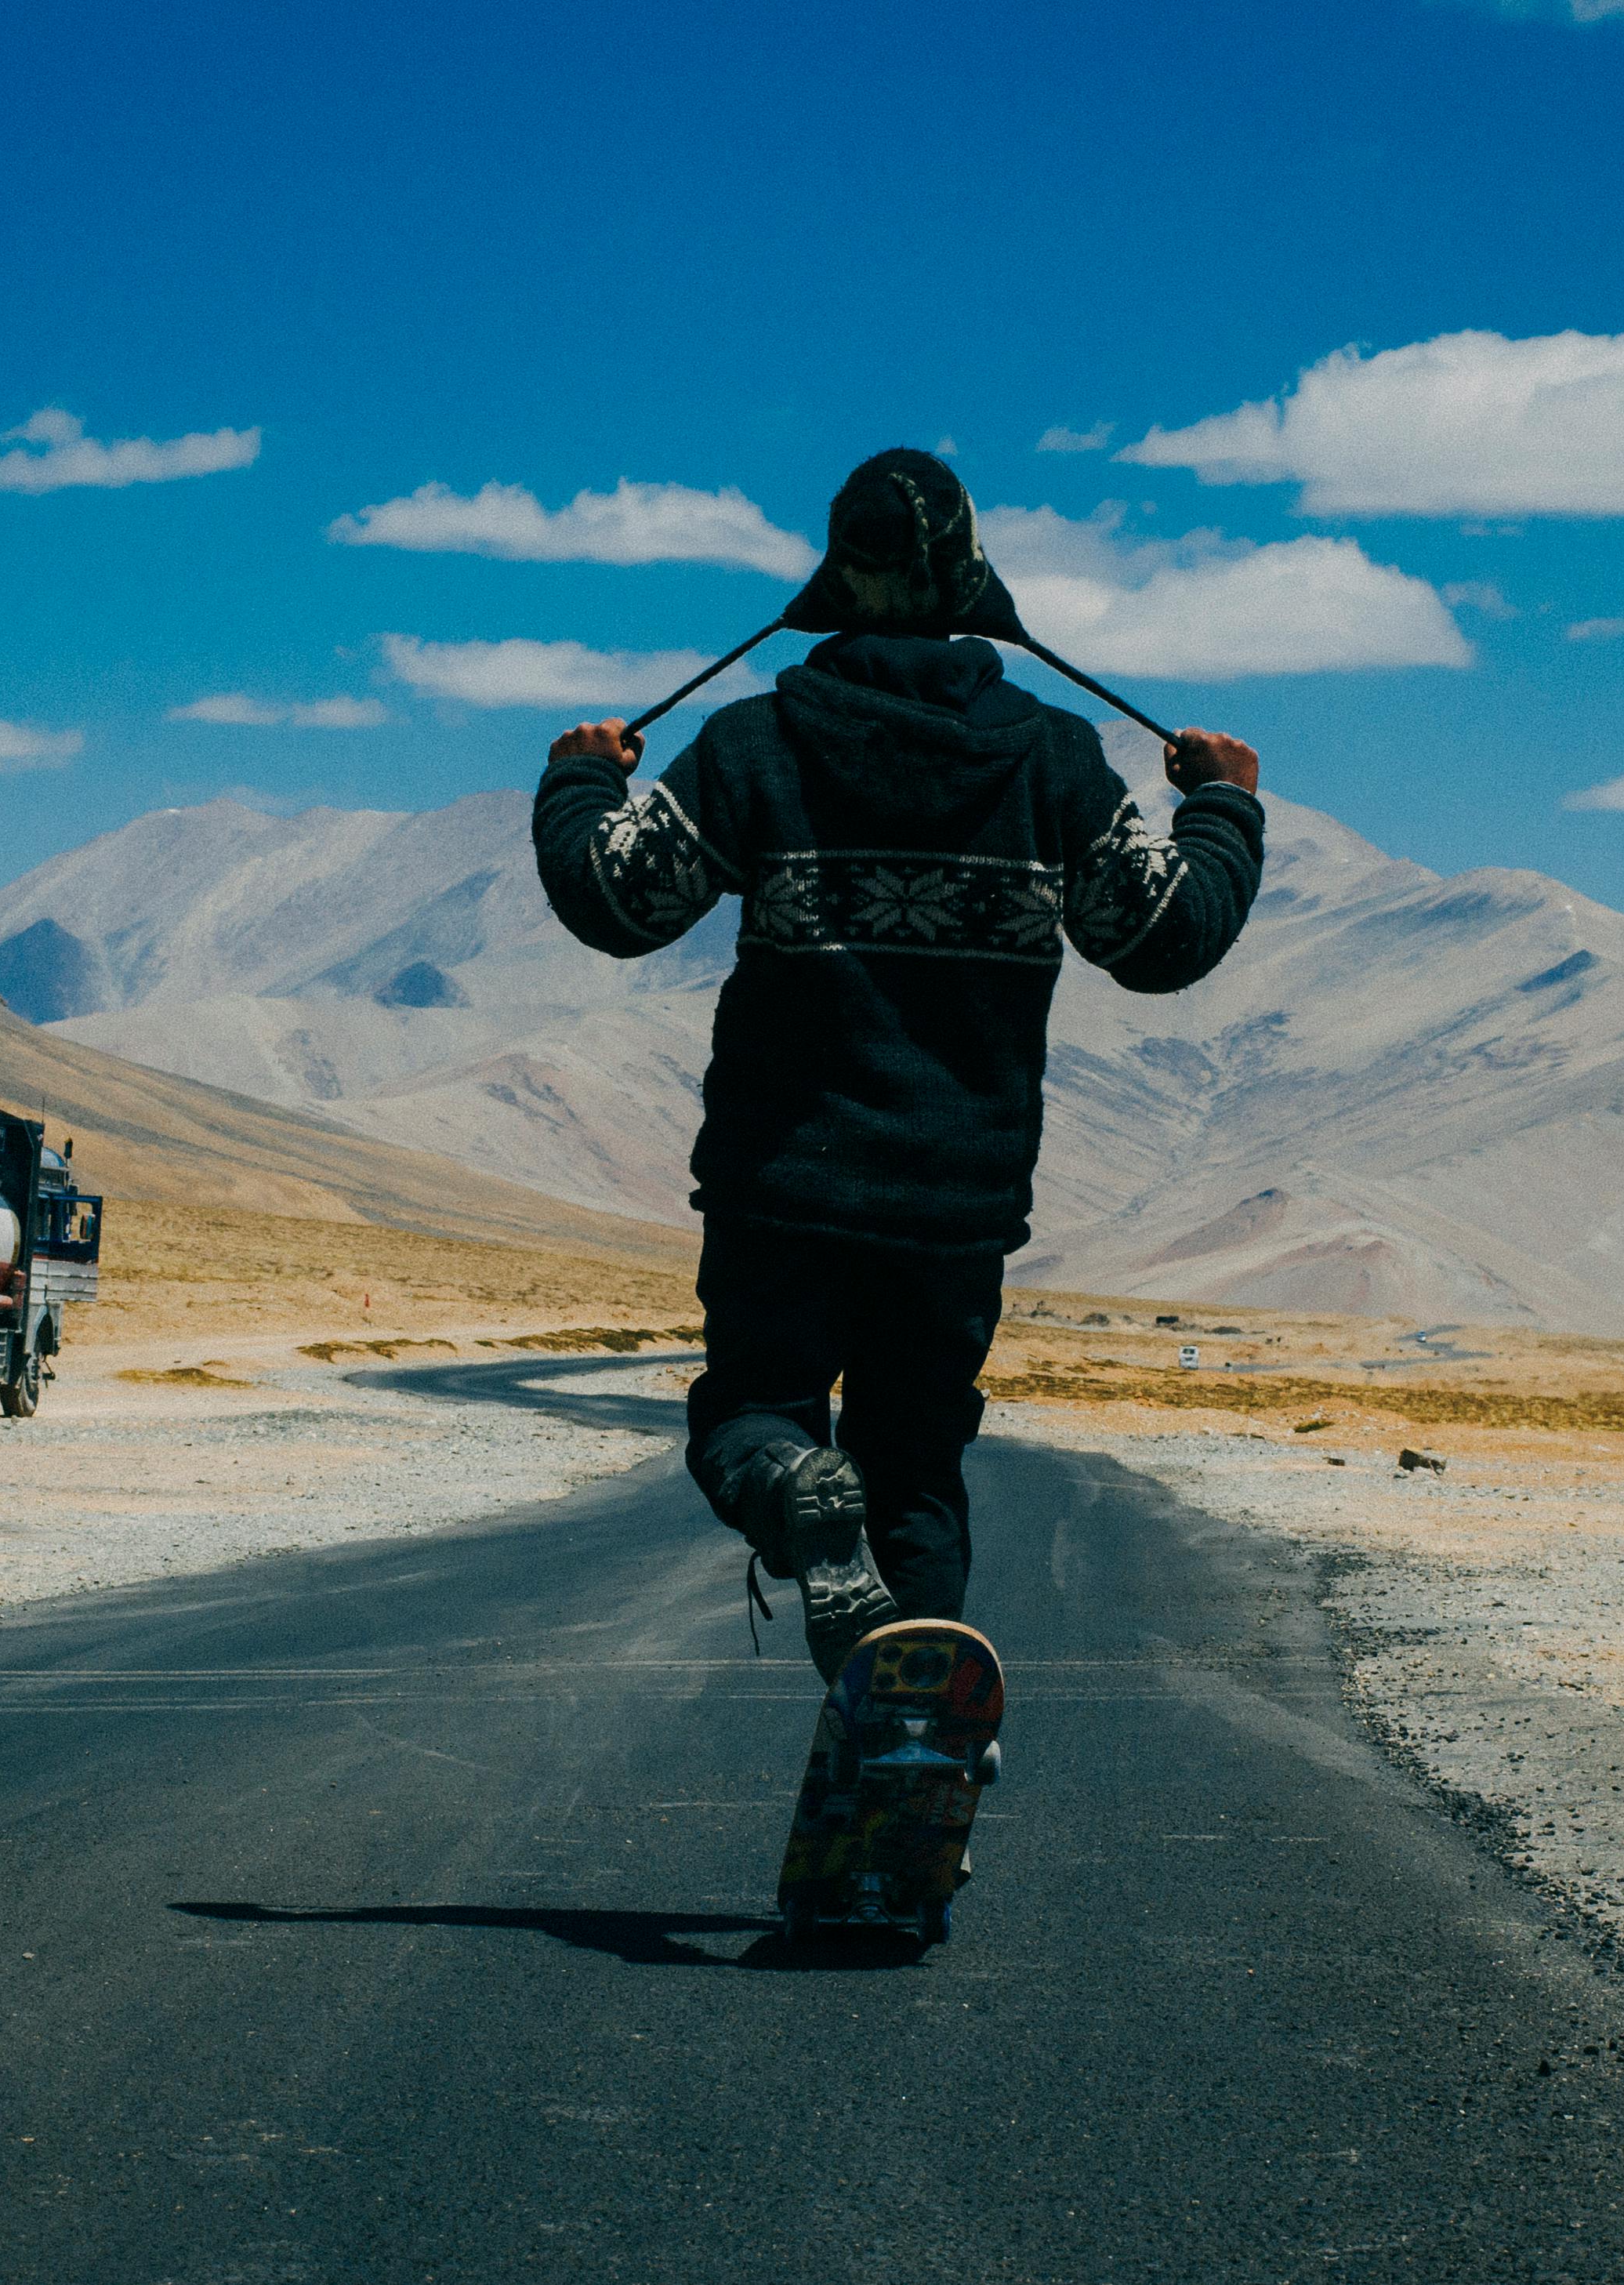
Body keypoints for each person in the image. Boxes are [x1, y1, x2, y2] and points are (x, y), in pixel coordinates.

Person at [531, 448, 1263, 1681]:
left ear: (836, 580)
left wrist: (578, 779)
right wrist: (1224, 810)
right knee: (914, 1468)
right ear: (971, 581)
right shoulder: (1054, 763)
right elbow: (1165, 938)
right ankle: (903, 1750)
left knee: (751, 1414)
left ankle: (782, 1483)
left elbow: (617, 900)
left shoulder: (753, 747)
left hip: (784, 1189)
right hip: (957, 1205)